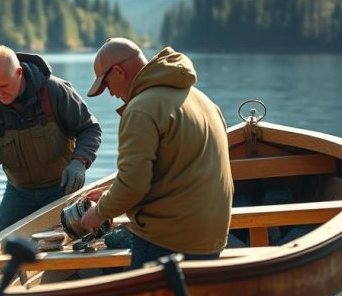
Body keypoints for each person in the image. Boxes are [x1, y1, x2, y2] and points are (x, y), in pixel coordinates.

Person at [79, 38, 232, 269]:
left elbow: (133, 185)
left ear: (119, 71)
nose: (110, 94)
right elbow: (174, 170)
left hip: (169, 241)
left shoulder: (141, 108)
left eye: (106, 85)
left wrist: (98, 214)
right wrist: (111, 194)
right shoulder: (201, 100)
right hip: (212, 238)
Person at [0, 45, 102, 234]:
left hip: (61, 189)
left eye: (3, 86)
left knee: (67, 243)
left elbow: (90, 129)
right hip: (18, 193)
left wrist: (79, 162)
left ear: (19, 72)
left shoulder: (54, 92)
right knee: (1, 247)